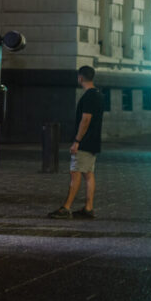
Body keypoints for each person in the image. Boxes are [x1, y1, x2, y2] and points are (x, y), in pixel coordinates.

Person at [49, 66, 104, 219]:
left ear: (80, 78)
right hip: (94, 141)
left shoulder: (88, 97)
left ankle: (66, 207)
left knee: (75, 173)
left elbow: (85, 120)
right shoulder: (99, 95)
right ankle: (88, 207)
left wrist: (77, 141)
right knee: (88, 173)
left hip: (84, 142)